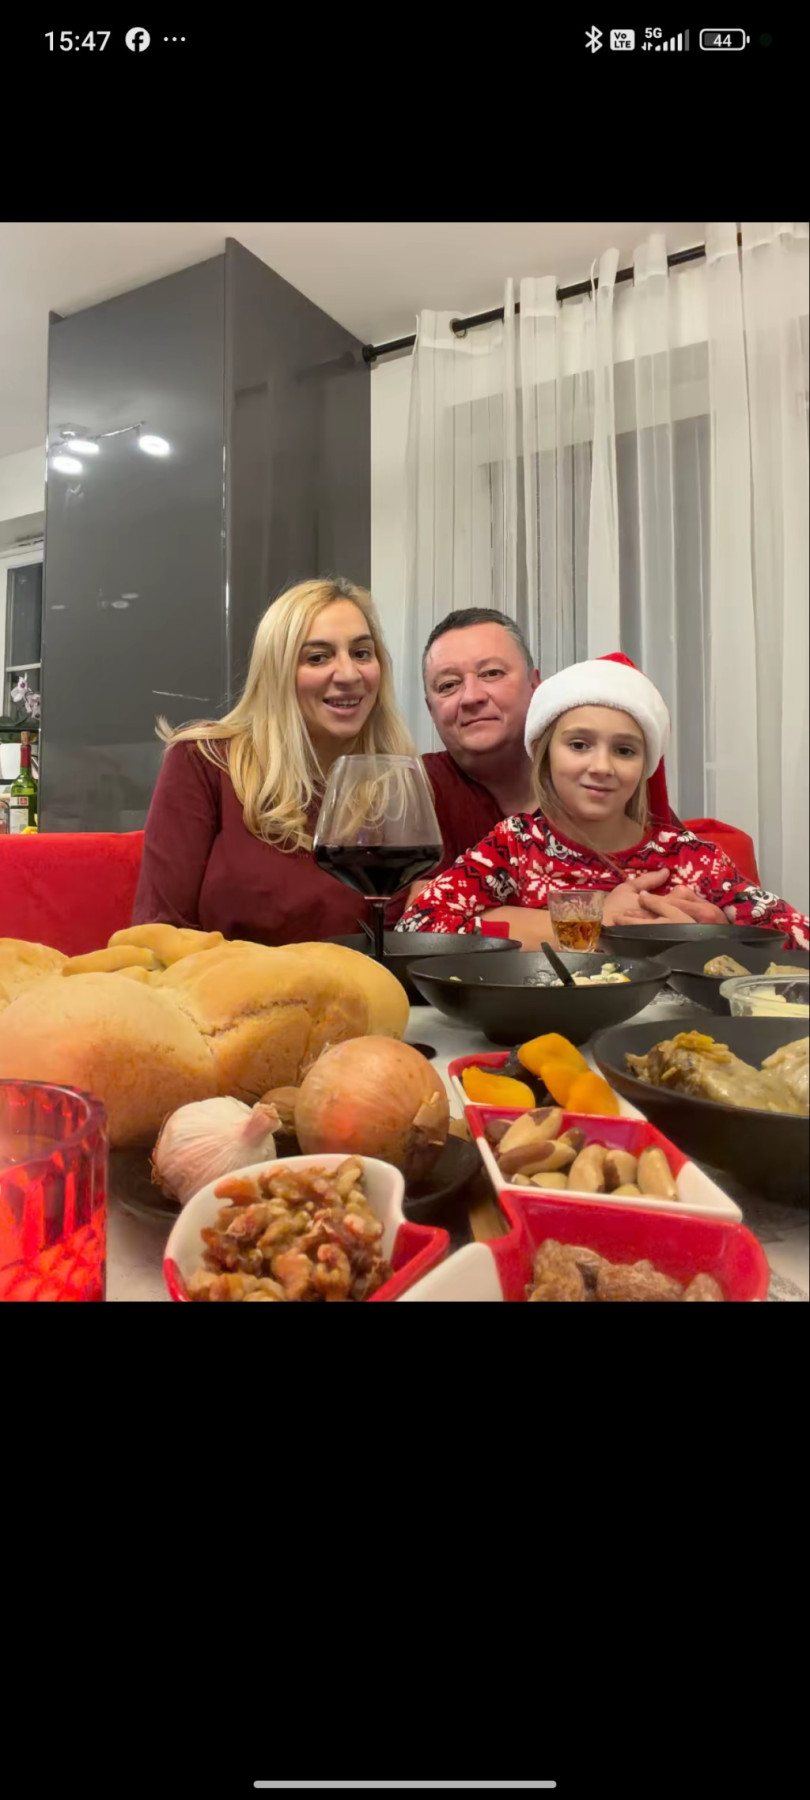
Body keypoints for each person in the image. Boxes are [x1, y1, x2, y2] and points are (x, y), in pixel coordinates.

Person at [397, 656, 809, 949]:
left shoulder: (691, 859)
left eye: (625, 751)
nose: (601, 767)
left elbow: (797, 937)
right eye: (579, 744)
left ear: (645, 765)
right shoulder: (515, 845)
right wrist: (594, 923)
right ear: (544, 753)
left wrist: (718, 934)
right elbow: (418, 927)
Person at [132, 577, 417, 945]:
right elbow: (160, 935)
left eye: (362, 653)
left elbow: (401, 942)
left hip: (360, 983)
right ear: (277, 671)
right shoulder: (205, 760)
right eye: (318, 657)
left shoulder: (397, 780)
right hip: (224, 981)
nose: (349, 674)